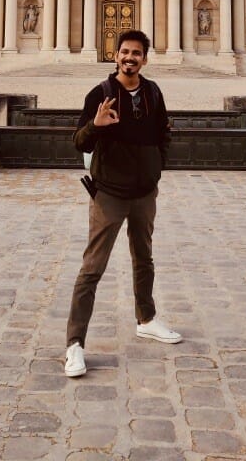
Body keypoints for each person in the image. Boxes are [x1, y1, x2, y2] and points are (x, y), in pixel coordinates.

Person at [64, 29, 181, 379]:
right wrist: (95, 126)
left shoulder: (154, 92)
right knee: (92, 269)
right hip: (110, 193)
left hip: (145, 192)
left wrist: (157, 167)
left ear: (145, 58)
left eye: (137, 53)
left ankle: (146, 319)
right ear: (115, 55)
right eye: (125, 52)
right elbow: (78, 142)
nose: (130, 58)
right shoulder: (99, 94)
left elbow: (163, 132)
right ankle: (74, 345)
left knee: (143, 257)